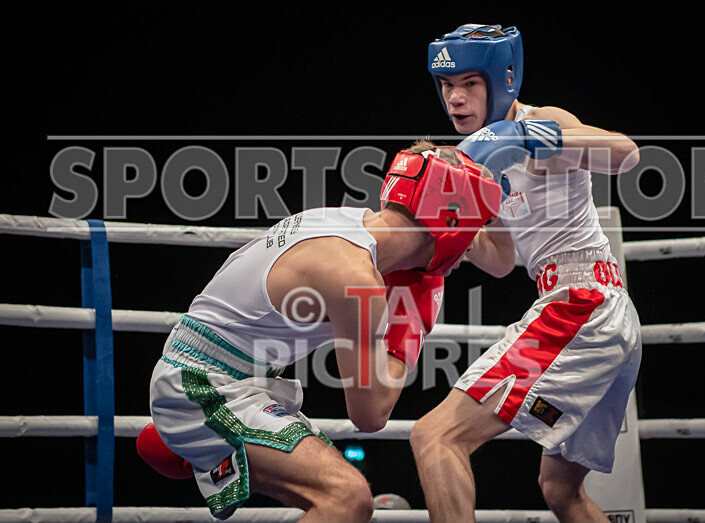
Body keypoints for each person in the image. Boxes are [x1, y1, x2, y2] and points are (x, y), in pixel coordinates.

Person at [142, 141, 503, 521]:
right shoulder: (355, 279)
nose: (469, 249)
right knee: (346, 497)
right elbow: (371, 414)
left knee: (340, 493)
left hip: (218, 376)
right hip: (200, 387)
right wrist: (407, 331)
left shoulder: (345, 224)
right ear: (450, 227)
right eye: (473, 229)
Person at [410, 24, 643, 522]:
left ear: (504, 79)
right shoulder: (482, 163)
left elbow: (626, 154)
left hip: (580, 305)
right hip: (593, 309)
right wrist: (452, 219)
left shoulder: (543, 120)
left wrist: (524, 136)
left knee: (435, 436)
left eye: (470, 83)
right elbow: (499, 261)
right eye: (447, 85)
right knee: (561, 489)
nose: (454, 97)